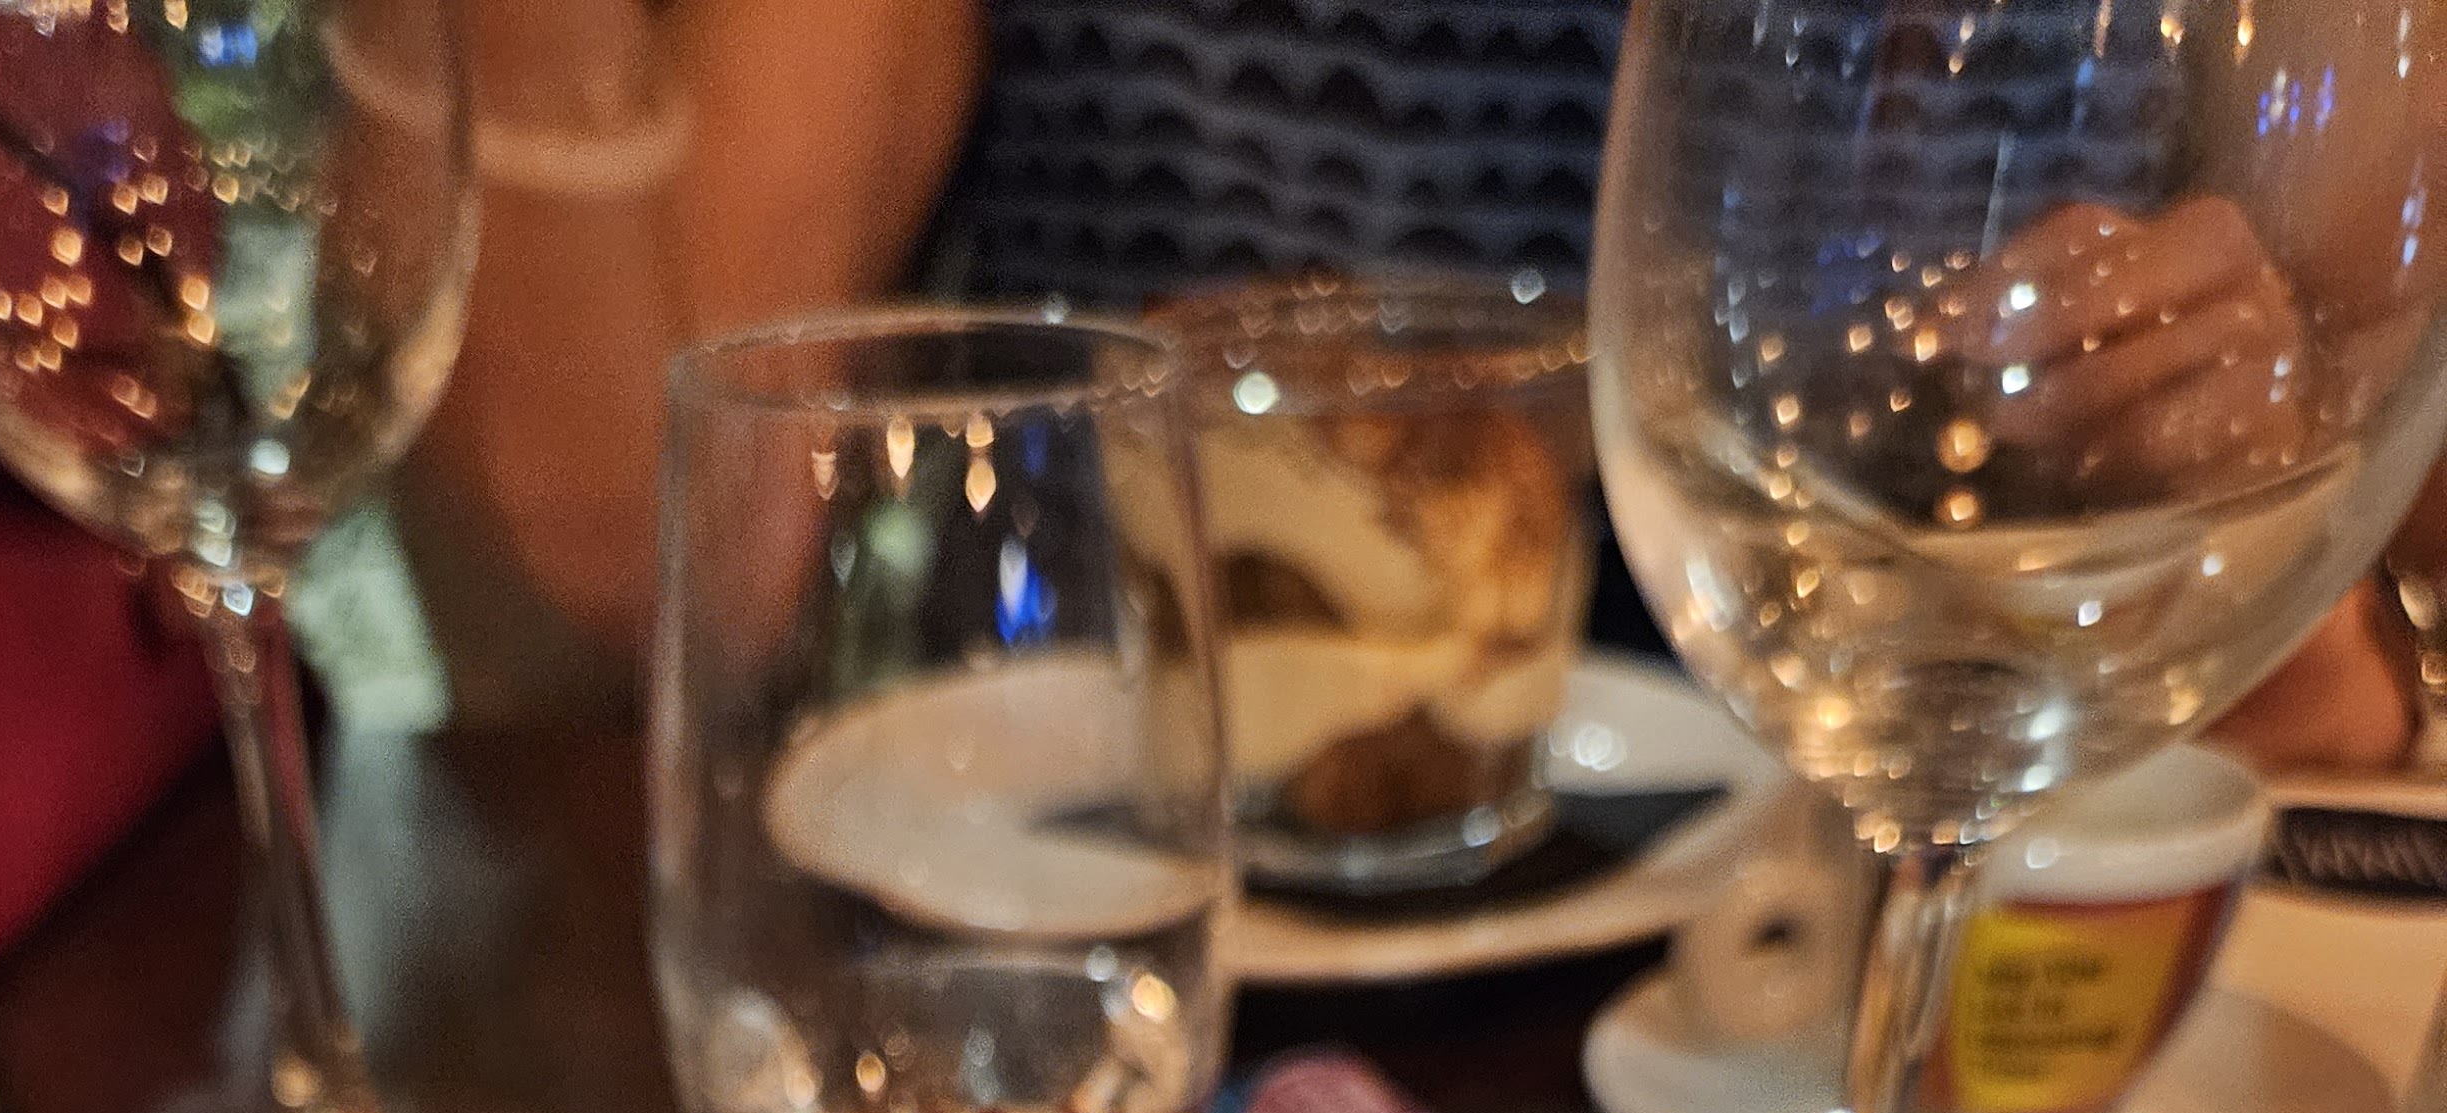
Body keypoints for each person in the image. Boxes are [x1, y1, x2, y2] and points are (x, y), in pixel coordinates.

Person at [411, 0, 2439, 773]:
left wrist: (2259, 533)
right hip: (1134, 927)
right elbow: (644, 551)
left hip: (1933, 982)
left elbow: (2368, 575)